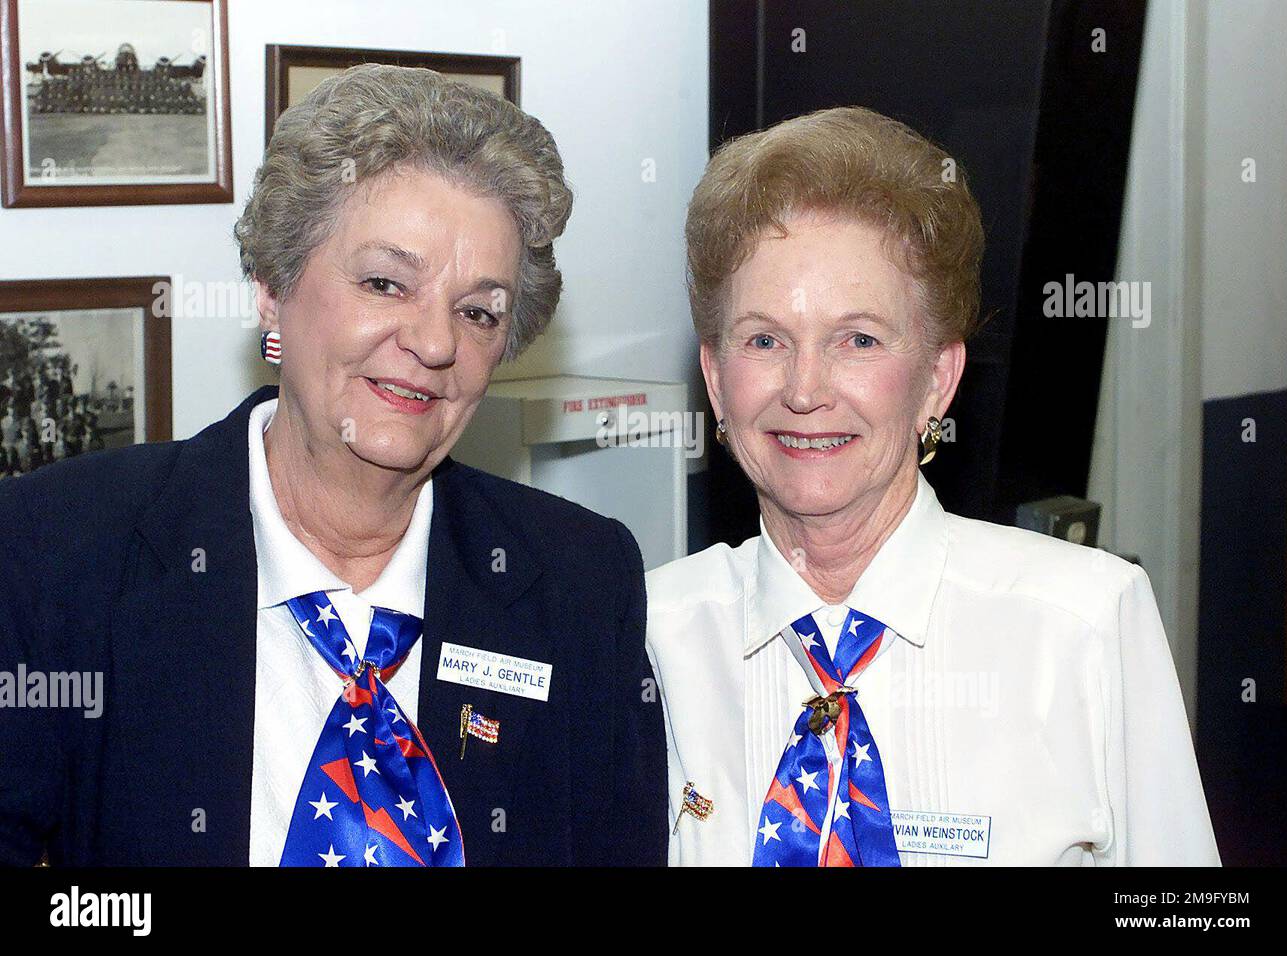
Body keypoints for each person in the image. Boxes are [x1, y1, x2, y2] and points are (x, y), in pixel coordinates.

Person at [0, 64, 666, 867]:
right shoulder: (56, 553)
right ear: (274, 291)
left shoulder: (580, 583)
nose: (433, 343)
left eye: (477, 311)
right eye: (386, 283)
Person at [646, 106, 1218, 866]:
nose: (805, 389)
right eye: (763, 340)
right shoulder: (652, 633)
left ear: (937, 382)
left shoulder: (1084, 621)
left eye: (859, 339)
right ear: (717, 381)